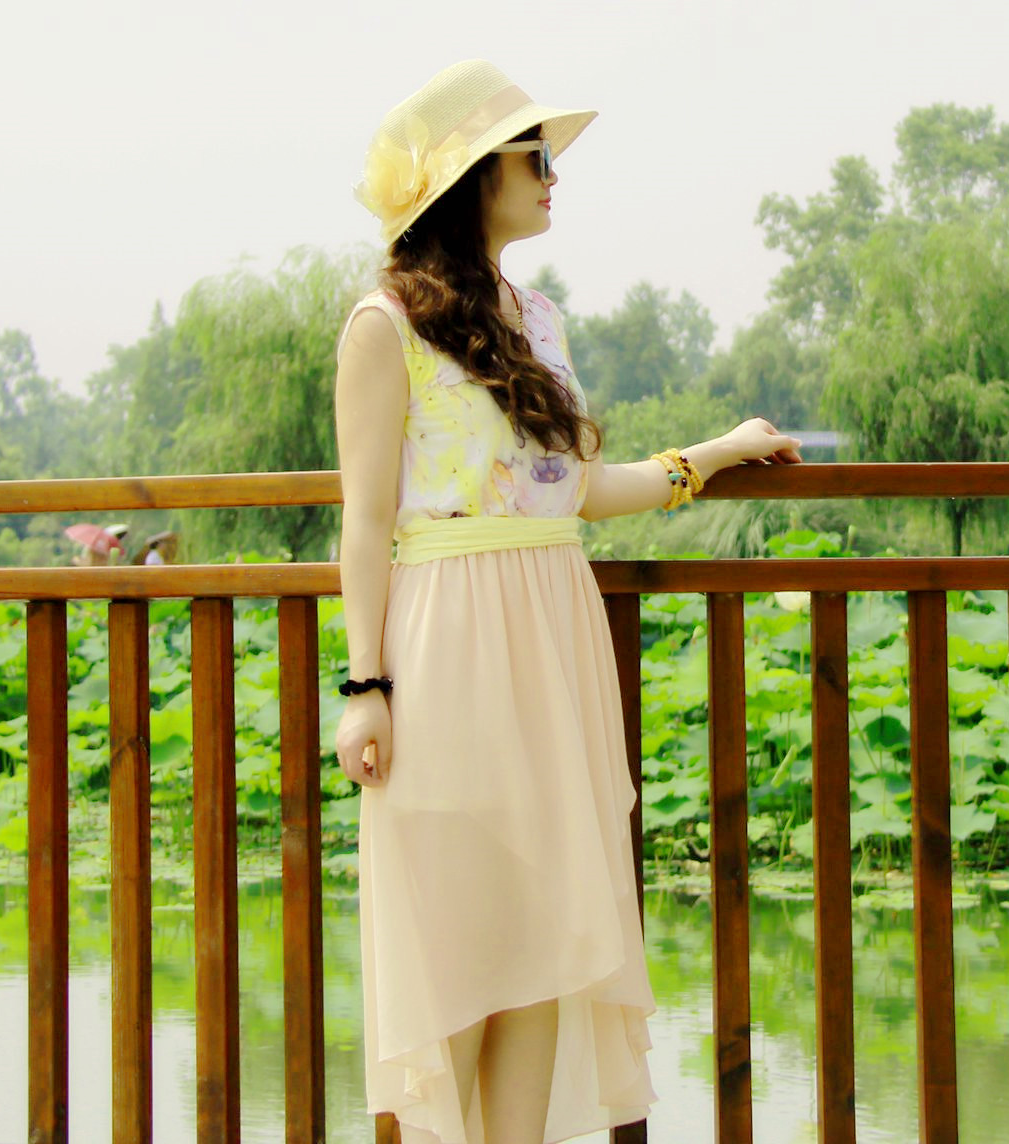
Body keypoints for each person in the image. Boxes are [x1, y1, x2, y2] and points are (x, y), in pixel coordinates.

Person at [333, 60, 801, 1144]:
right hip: (447, 638)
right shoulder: (382, 325)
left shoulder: (536, 318)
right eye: (534, 156)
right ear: (469, 179)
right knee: (457, 946)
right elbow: (363, 520)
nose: (554, 176)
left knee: (541, 944)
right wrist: (365, 686)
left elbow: (578, 490)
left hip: (553, 628)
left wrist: (712, 455)